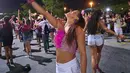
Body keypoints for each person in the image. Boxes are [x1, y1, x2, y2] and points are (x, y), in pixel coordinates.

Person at [28, 0, 87, 73]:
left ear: (76, 19)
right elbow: (45, 13)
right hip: (58, 67)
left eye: (74, 12)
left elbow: (83, 53)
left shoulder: (78, 29)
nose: (71, 11)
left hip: (70, 67)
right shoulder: (61, 25)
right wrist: (32, 1)